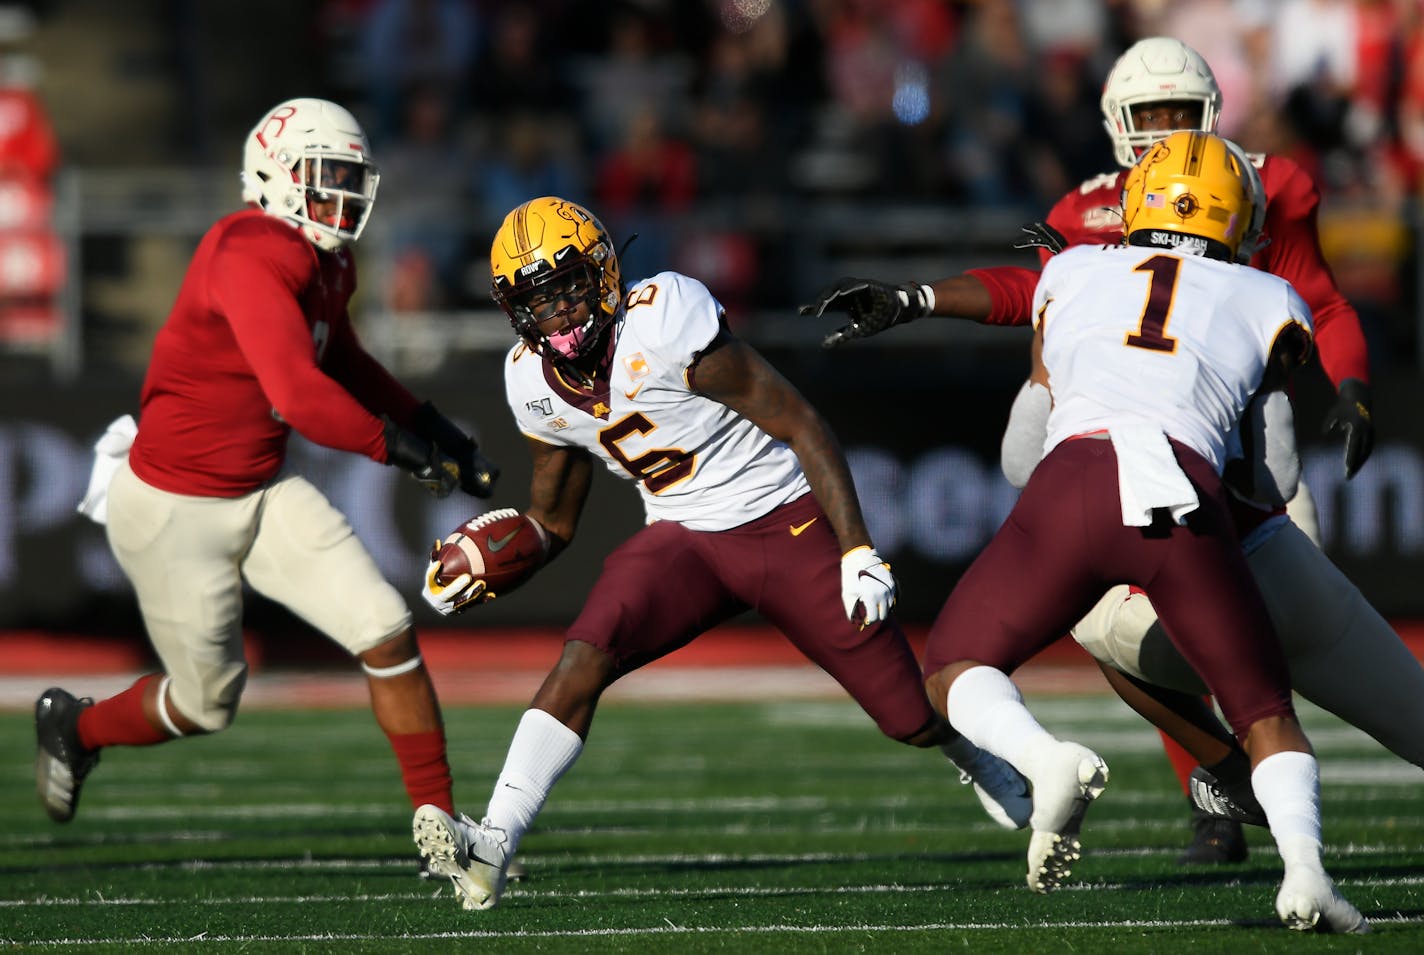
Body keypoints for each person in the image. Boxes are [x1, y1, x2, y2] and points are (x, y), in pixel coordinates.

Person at [799, 35, 1376, 864]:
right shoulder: (1085, 212)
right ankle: (1223, 792)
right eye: (1151, 117)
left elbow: (1316, 301)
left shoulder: (1265, 184)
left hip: (1247, 468)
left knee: (1261, 657)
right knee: (1127, 623)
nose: (1165, 131)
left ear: (1212, 114)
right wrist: (921, 295)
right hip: (1156, 461)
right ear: (1115, 123)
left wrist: (1347, 383)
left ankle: (1252, 785)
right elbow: (1035, 292)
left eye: (1181, 114)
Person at [409, 195, 1031, 911]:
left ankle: (976, 753)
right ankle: (491, 846)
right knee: (586, 651)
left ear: (604, 275)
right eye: (538, 303)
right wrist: (496, 560)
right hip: (685, 536)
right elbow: (553, 519)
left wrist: (856, 546)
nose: (560, 315)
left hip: (780, 519)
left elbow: (802, 423)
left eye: (570, 288)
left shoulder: (664, 320)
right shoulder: (530, 383)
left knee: (907, 716)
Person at [34, 99, 498, 875]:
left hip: (260, 490)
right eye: (328, 178)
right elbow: (297, 391)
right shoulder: (249, 250)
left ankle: (442, 831)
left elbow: (342, 360)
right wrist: (403, 449)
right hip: (176, 509)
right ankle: (74, 729)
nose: (345, 196)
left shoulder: (327, 259)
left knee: (384, 624)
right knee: (206, 702)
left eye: (353, 180)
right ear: (275, 176)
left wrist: (436, 427)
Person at [920, 131, 1365, 932]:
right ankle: (1306, 873)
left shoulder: (1072, 269)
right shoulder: (1266, 295)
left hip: (1070, 484)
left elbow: (1023, 438)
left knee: (954, 663)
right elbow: (1273, 471)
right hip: (1181, 500)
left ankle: (1040, 756)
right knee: (1265, 711)